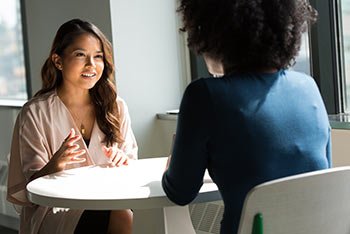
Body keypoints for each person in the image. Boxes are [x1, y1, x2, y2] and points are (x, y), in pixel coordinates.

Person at [162, 1, 332, 233]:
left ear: (211, 31)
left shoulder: (205, 95)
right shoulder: (308, 88)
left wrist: (172, 166)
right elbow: (322, 176)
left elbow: (180, 193)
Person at [7, 18, 138, 234]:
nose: (91, 65)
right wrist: (55, 165)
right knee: (121, 213)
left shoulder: (116, 107)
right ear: (58, 61)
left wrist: (123, 161)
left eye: (98, 56)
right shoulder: (35, 113)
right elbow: (29, 190)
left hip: (109, 199)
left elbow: (131, 165)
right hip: (55, 210)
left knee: (124, 211)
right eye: (80, 55)